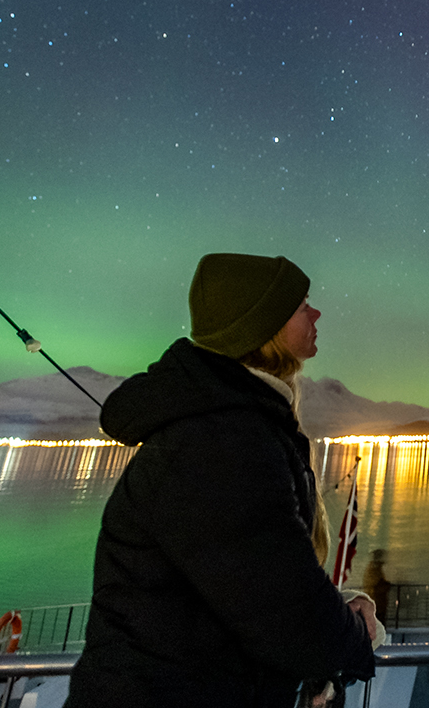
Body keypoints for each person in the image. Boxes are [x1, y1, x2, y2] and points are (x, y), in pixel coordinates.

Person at [66, 253, 379, 707]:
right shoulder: (221, 441)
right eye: (300, 304)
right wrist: (355, 637)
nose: (315, 313)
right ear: (261, 325)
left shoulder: (237, 423)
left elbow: (253, 579)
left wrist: (334, 612)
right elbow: (286, 614)